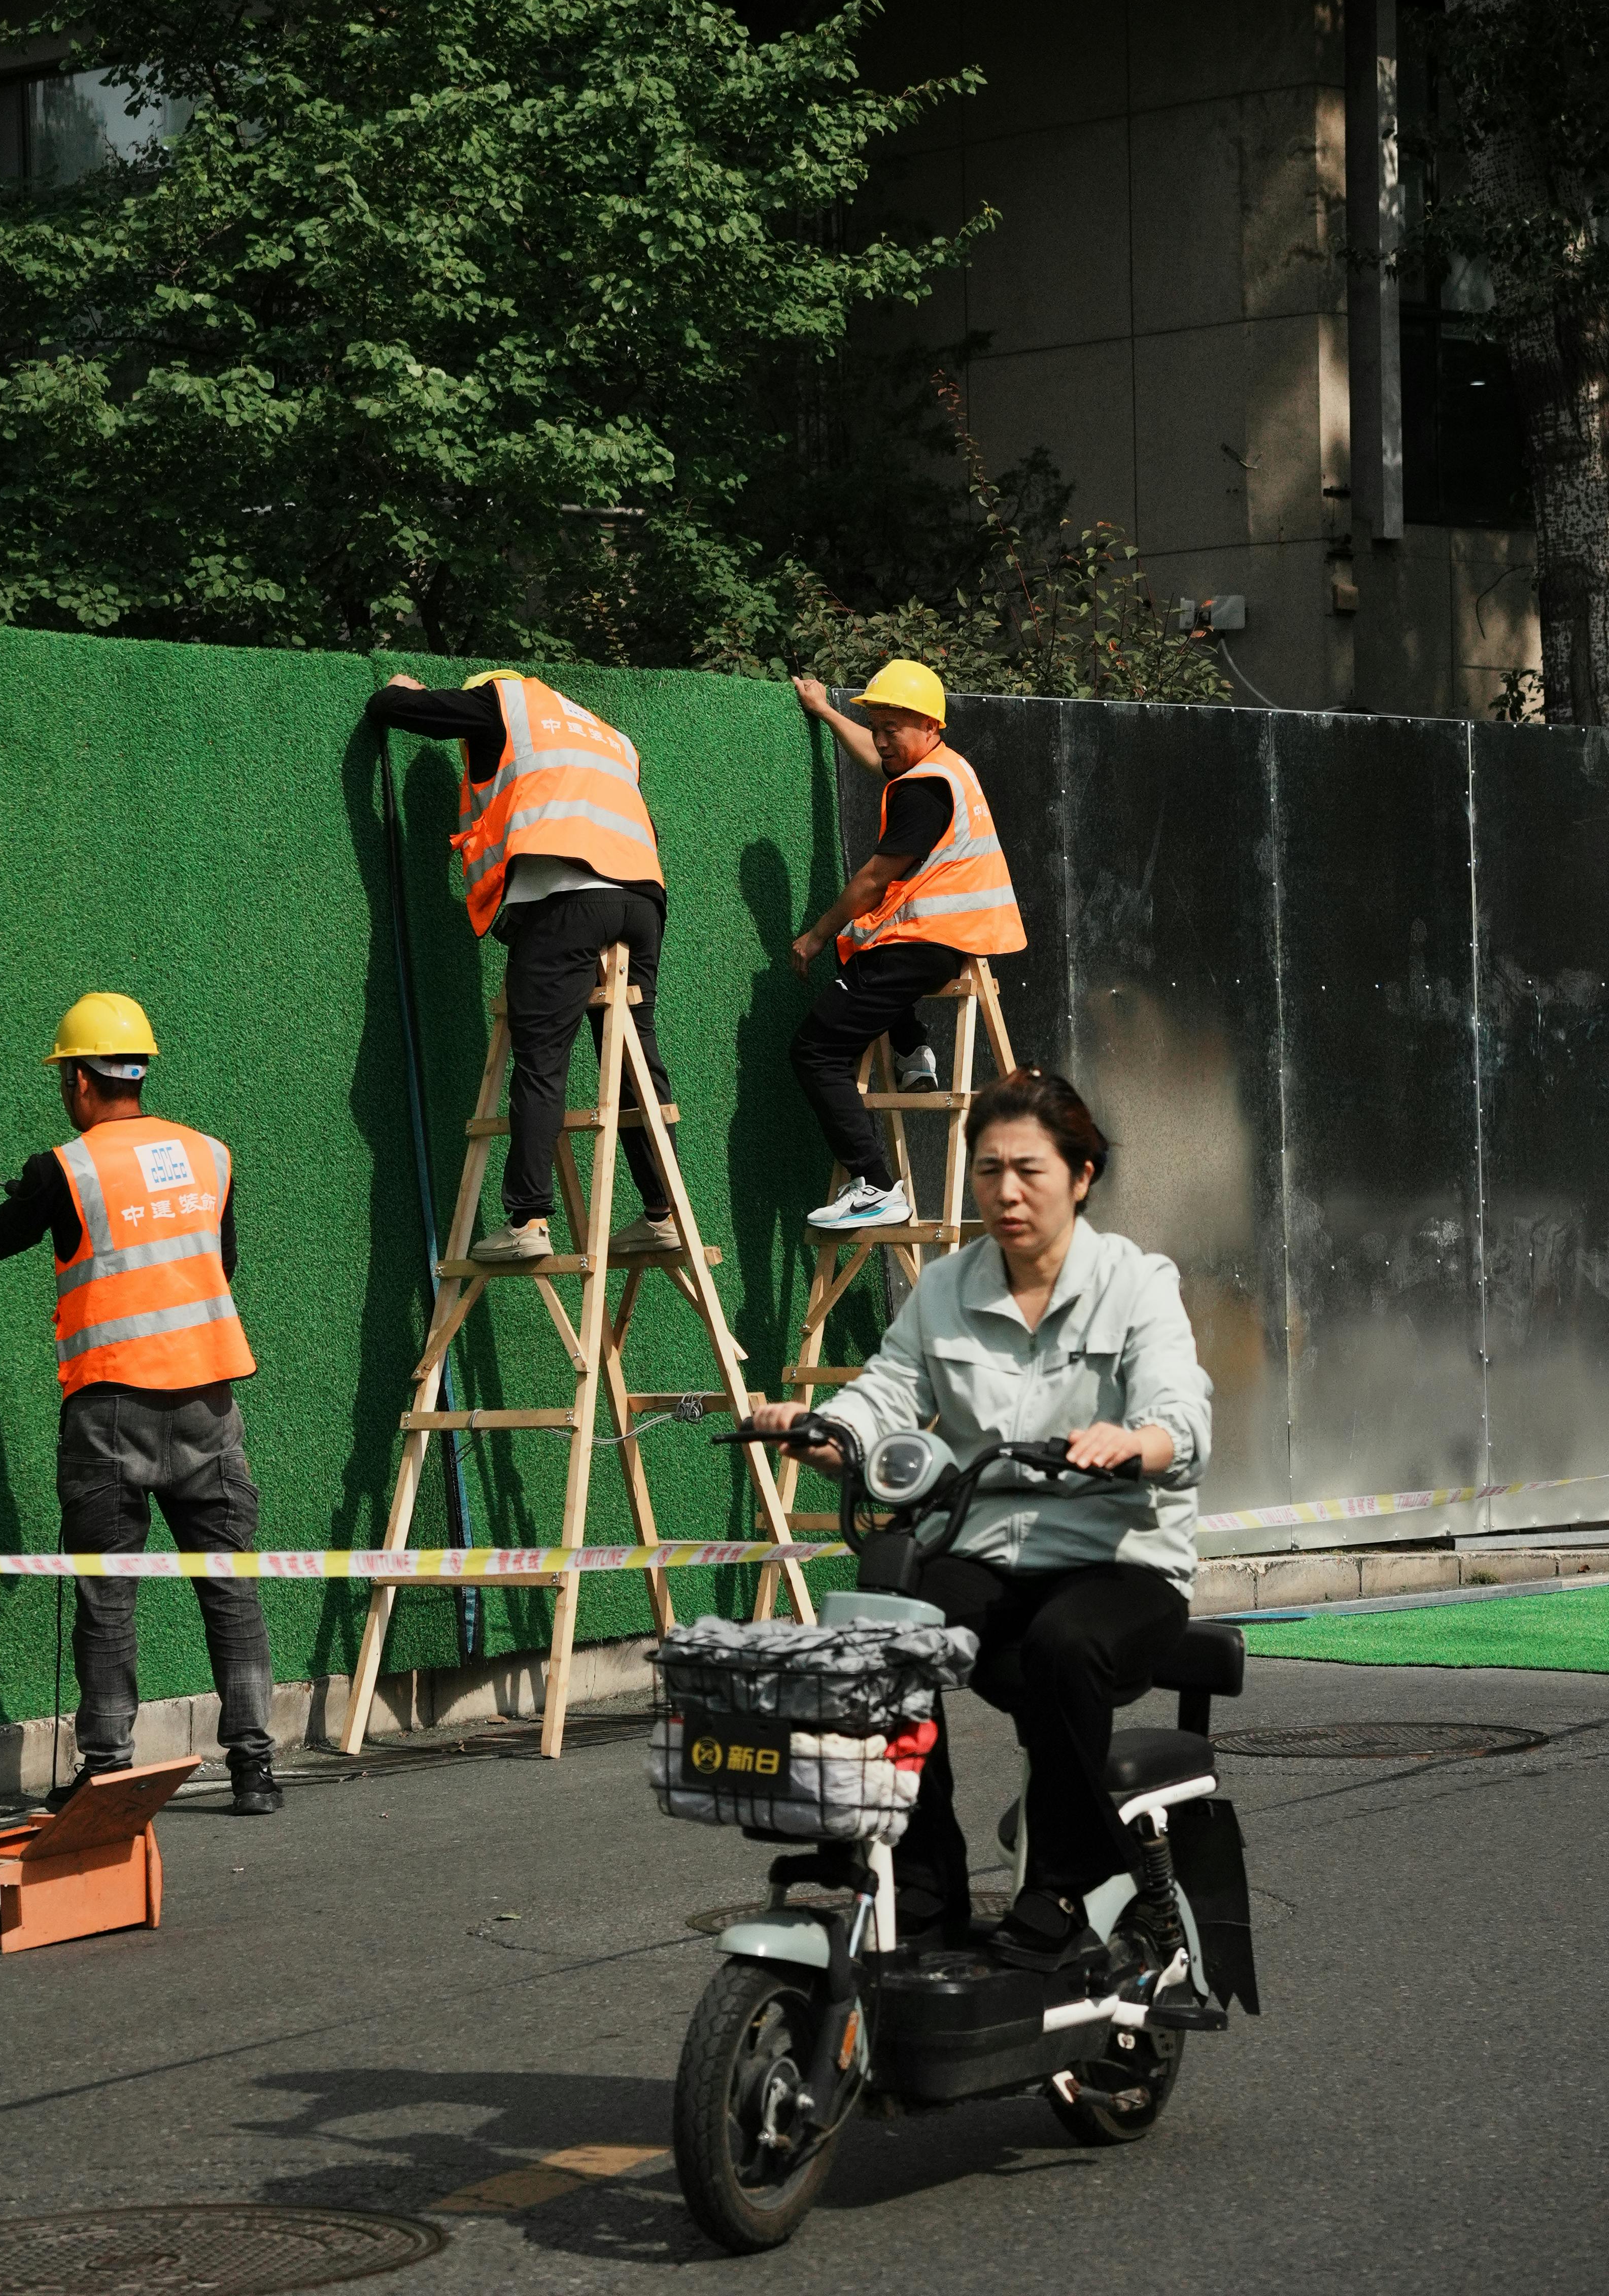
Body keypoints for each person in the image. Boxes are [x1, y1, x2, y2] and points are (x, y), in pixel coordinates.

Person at [751, 1068, 1211, 1982]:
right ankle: (926, 1886)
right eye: (989, 1169)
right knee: (884, 1631)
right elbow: (886, 1392)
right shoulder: (944, 1289)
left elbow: (1181, 1412)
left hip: (1119, 1561)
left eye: (1030, 1170)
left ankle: (1069, 1887)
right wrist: (827, 1430)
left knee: (1063, 1644)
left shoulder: (1137, 1283)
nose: (1007, 1192)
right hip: (988, 1547)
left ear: (1081, 1175)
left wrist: (1136, 1441)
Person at [0, 993, 283, 1817]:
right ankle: (254, 1770)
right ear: (138, 1071)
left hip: (110, 1410)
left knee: (109, 1598)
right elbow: (219, 1266)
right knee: (230, 1588)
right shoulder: (210, 1155)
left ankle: (106, 1772)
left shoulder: (63, 1169)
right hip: (211, 1404)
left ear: (79, 1079)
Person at [367, 669, 681, 1264]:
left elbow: (396, 709)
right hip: (642, 899)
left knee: (542, 1058)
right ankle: (662, 1214)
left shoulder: (504, 701)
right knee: (633, 1056)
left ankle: (528, 1219)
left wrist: (404, 693)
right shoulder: (608, 737)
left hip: (565, 896)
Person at [788, 661, 1025, 1231]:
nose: (880, 740)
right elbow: (878, 762)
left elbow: (874, 879)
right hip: (949, 940)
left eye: (891, 728)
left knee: (816, 1049)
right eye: (876, 727)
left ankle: (874, 1185)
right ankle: (913, 1049)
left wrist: (816, 935)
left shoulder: (922, 790)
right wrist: (826, 712)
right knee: (862, 944)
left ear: (929, 725)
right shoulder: (945, 767)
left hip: (921, 941)